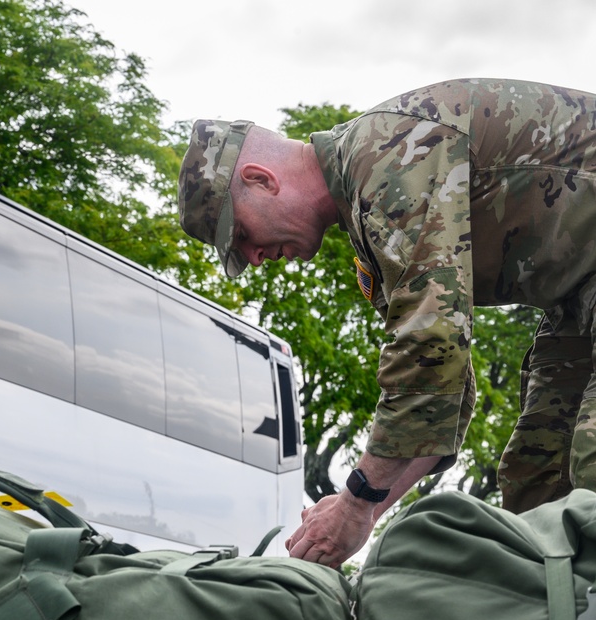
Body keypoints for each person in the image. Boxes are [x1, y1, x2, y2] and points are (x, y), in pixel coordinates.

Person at [177, 79, 596, 568]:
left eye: (243, 236)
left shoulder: (388, 156)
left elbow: (428, 348)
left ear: (261, 179)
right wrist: (361, 510)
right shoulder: (370, 236)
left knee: (589, 467)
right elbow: (444, 394)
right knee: (539, 480)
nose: (255, 257)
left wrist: (355, 503)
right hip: (579, 294)